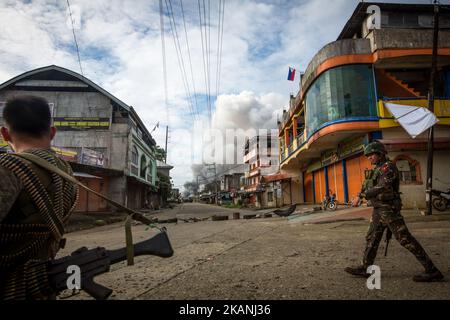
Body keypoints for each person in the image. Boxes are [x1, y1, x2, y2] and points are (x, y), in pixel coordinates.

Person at [0, 95, 78, 299]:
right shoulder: (66, 174)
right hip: (38, 286)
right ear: (52, 133)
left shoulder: (8, 167)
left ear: (5, 134)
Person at [345, 140, 443, 282]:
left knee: (405, 238)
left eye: (371, 154)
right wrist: (359, 197)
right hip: (378, 209)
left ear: (380, 153)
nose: (369, 158)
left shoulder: (388, 168)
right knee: (372, 237)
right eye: (367, 156)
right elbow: (369, 186)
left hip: (388, 209)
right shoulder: (377, 169)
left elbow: (383, 187)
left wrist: (362, 196)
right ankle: (365, 267)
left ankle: (432, 270)